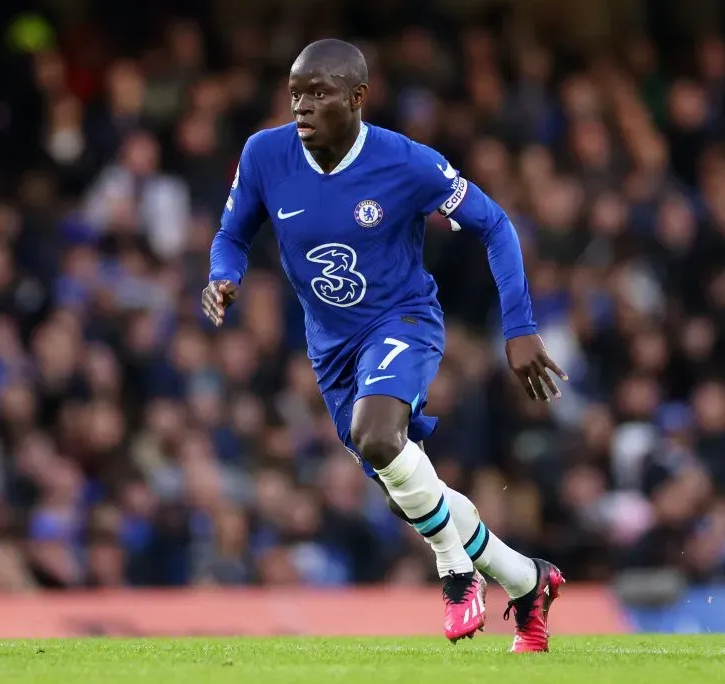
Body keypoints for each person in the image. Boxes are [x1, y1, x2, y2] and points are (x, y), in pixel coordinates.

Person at [203, 39, 566, 651]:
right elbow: (231, 234)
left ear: (358, 97)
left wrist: (520, 326)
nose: (302, 107)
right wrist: (223, 276)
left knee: (381, 441)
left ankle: (454, 573)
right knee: (411, 494)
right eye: (295, 94)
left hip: (403, 322)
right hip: (331, 350)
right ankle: (528, 581)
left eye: (318, 94)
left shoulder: (407, 164)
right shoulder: (265, 155)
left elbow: (495, 224)